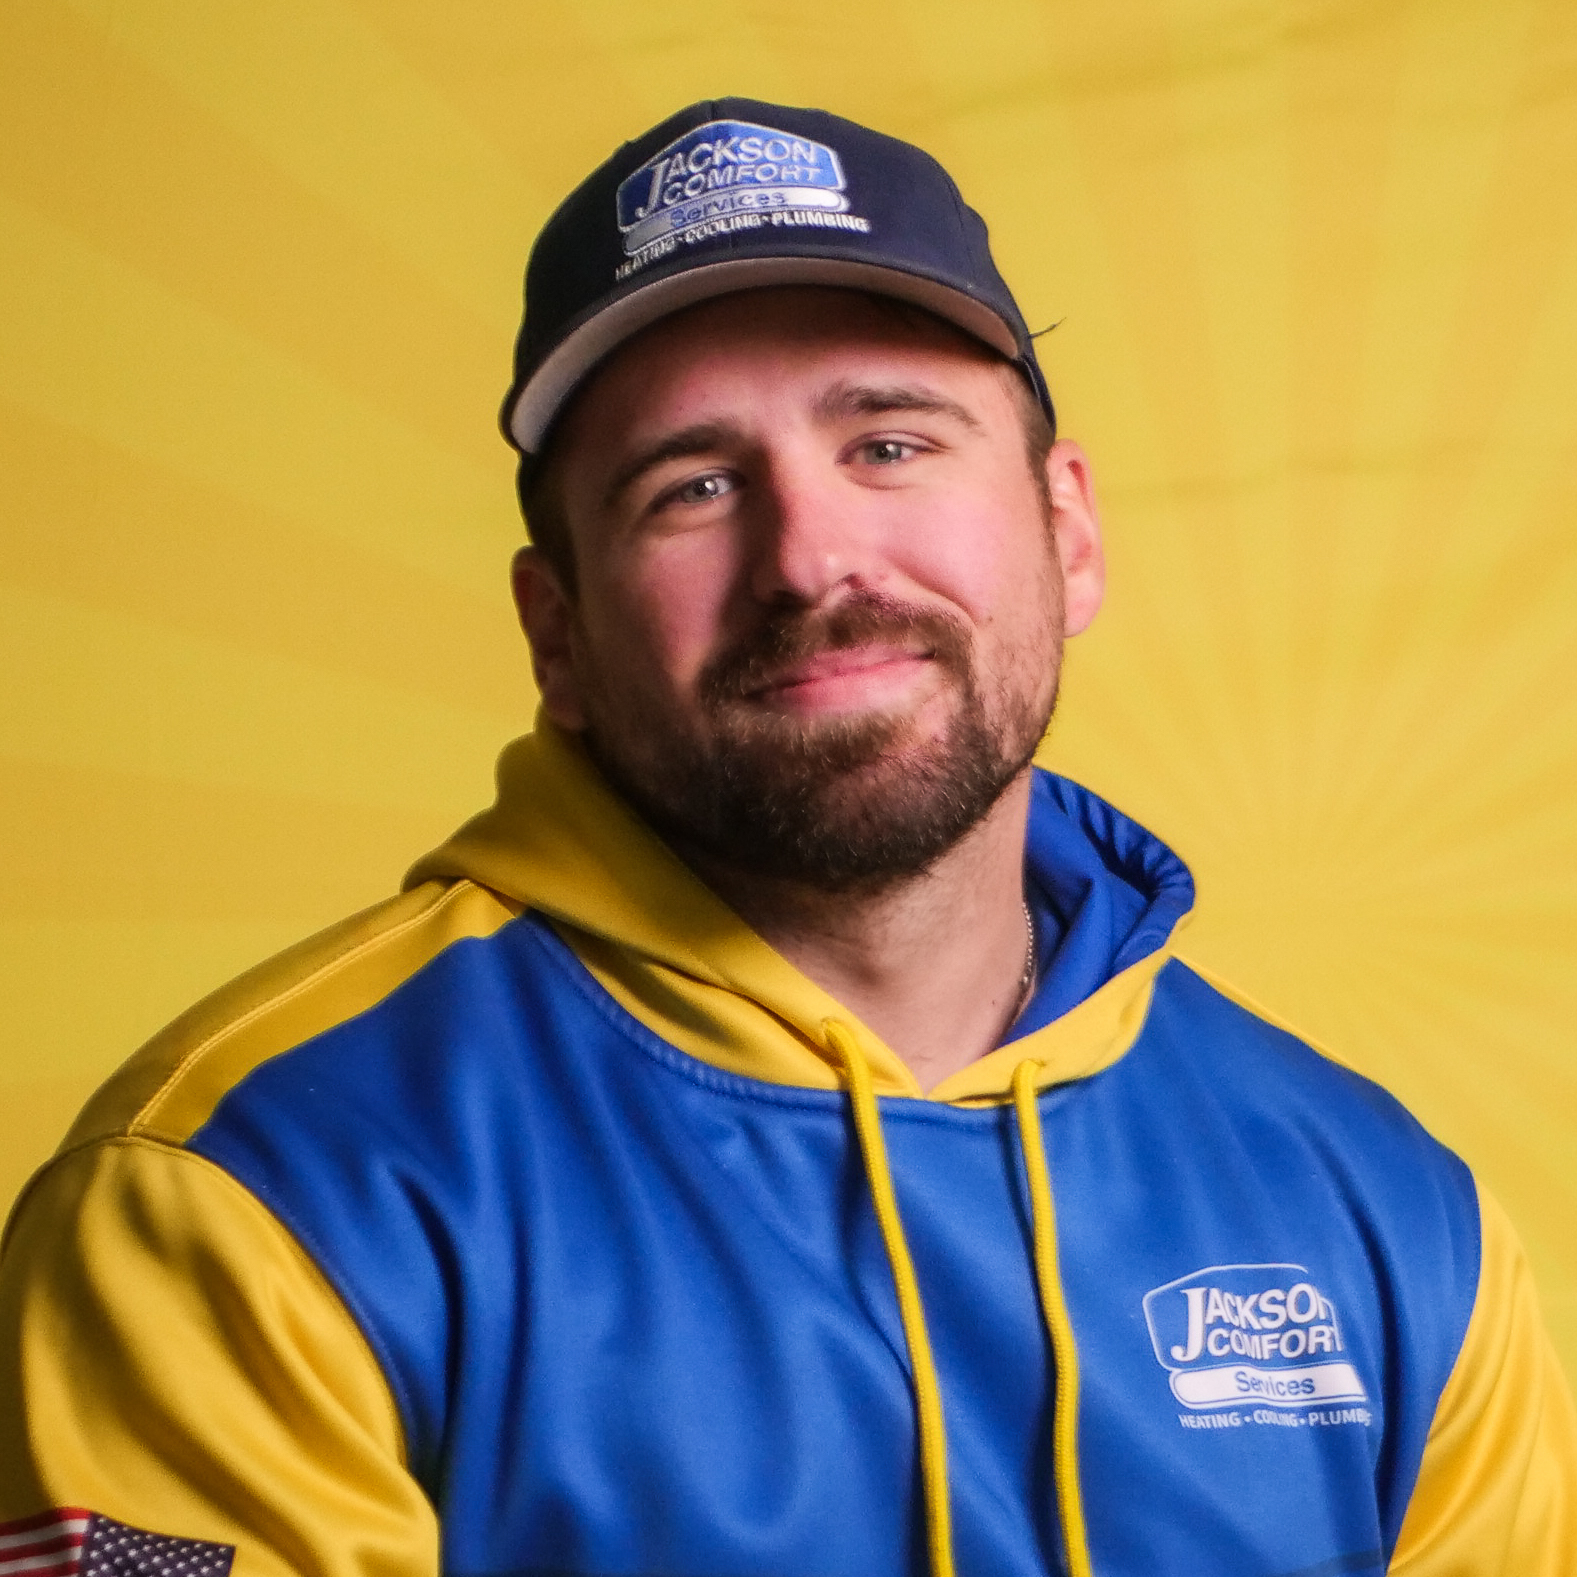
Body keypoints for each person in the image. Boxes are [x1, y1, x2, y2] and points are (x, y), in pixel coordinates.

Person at [0, 97, 1572, 1577]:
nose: (810, 556)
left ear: (1066, 530)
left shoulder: (1392, 1221)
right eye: (688, 488)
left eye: (889, 441)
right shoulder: (242, 1195)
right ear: (557, 636)